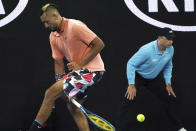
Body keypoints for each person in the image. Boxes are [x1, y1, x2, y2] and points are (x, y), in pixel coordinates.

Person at [29, 3, 105, 131]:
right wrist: (60, 83)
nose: (46, 26)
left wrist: (80, 63)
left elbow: (99, 44)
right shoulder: (53, 36)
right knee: (73, 107)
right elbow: (58, 62)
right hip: (78, 72)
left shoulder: (75, 26)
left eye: (47, 22)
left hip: (93, 71)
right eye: (44, 23)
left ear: (55, 16)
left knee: (50, 93)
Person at [118, 27, 187, 131]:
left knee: (169, 99)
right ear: (160, 38)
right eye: (168, 39)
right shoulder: (146, 50)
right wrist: (131, 84)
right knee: (128, 99)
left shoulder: (170, 49)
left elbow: (168, 65)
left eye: (172, 39)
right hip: (139, 77)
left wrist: (168, 83)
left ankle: (179, 128)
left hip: (153, 78)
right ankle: (116, 127)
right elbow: (131, 64)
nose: (171, 41)